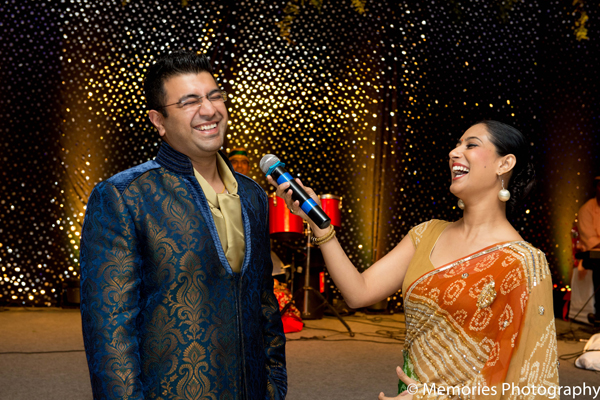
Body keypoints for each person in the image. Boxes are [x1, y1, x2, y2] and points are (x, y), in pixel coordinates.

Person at [269, 120, 559, 399]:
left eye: (471, 145)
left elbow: (528, 378)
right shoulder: (426, 234)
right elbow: (358, 293)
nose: (454, 153)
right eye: (456, 145)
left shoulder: (523, 262)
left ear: (504, 164)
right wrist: (319, 225)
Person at [80, 50, 287, 400]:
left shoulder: (253, 195)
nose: (209, 110)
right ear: (158, 121)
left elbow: (264, 304)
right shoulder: (124, 196)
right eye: (189, 102)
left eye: (215, 96)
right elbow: (110, 332)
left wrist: (275, 384)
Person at [577, 176, 600, 326]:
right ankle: (599, 314)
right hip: (594, 256)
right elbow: (591, 240)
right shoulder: (586, 209)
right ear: (596, 188)